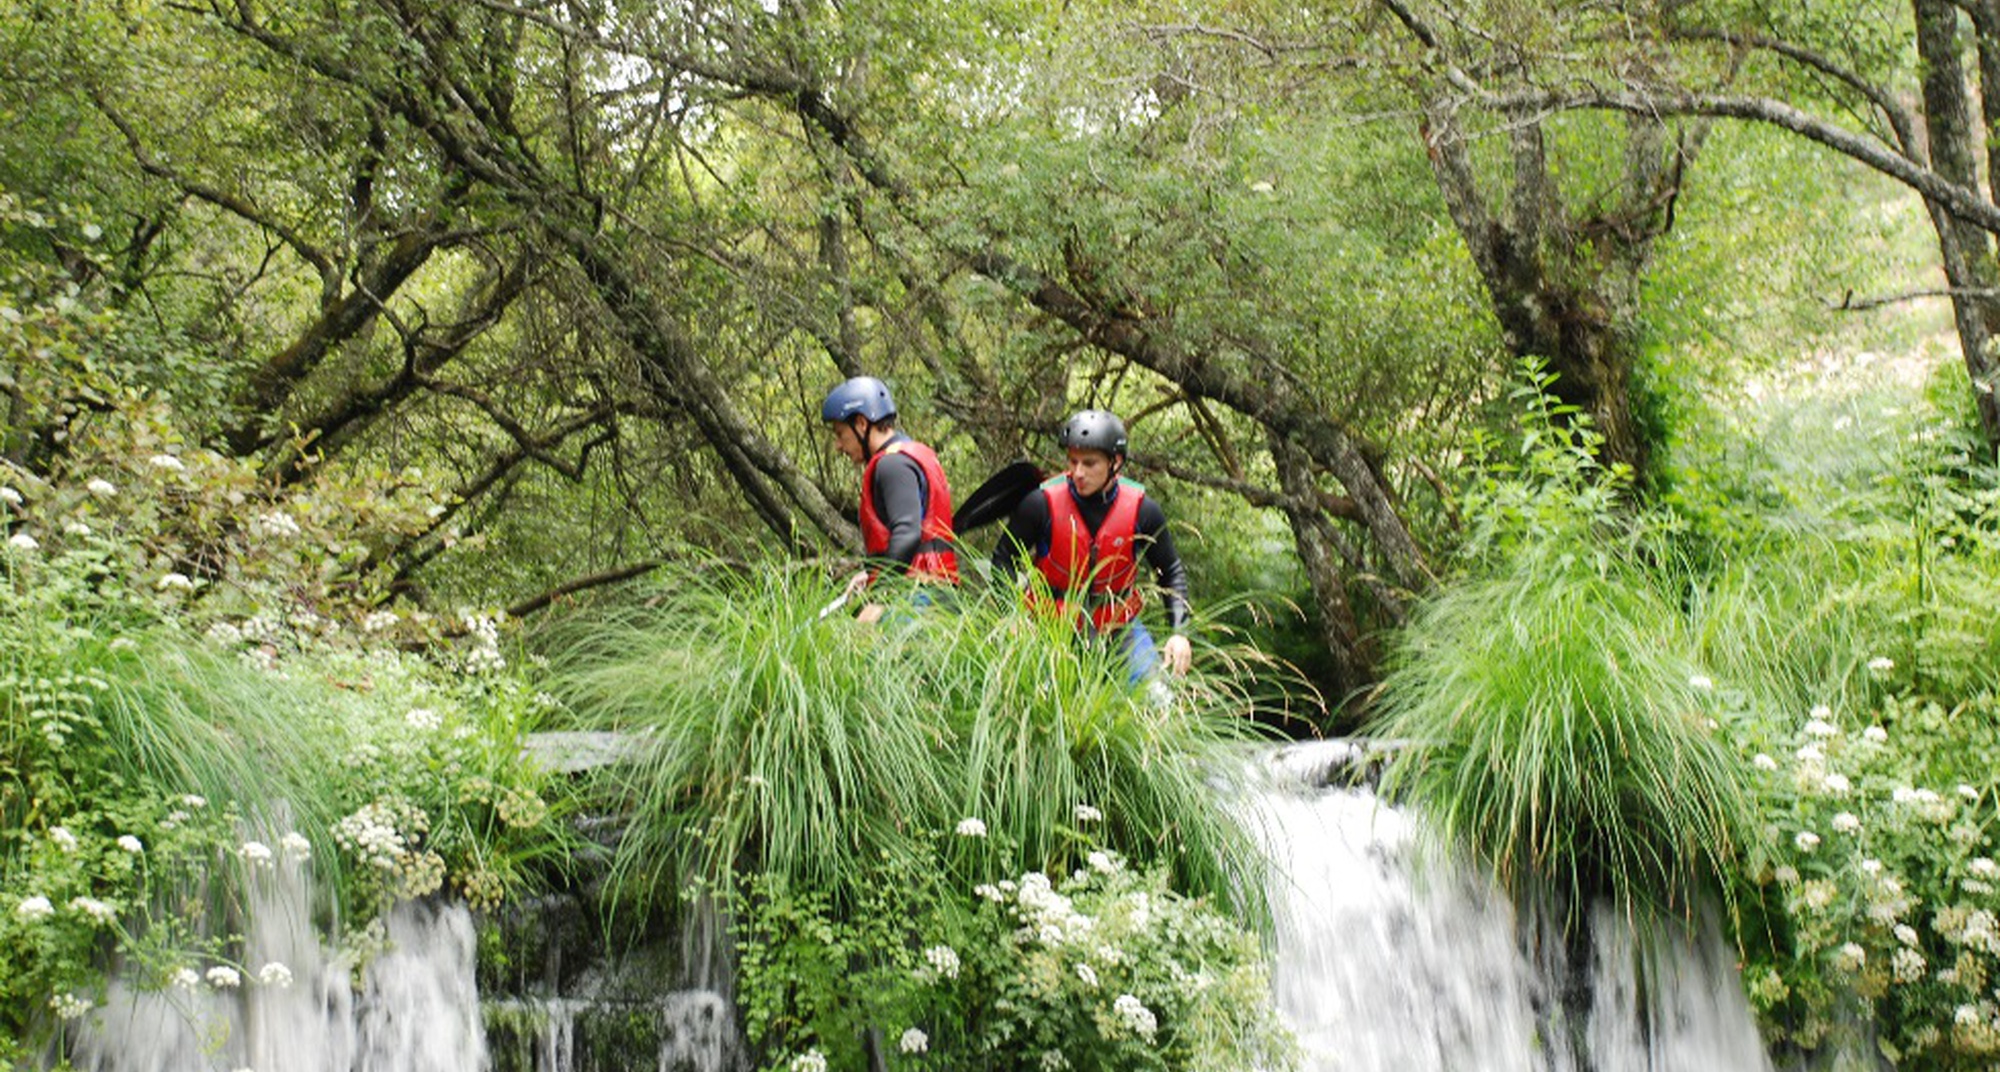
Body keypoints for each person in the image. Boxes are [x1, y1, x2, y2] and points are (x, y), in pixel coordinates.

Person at [991, 409, 1191, 685]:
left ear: (1115, 462)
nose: (1078, 472)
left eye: (1089, 463)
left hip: (1118, 628)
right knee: (1036, 696)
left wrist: (1179, 632)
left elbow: (1170, 570)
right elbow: (1003, 559)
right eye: (1073, 461)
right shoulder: (1040, 504)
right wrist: (1012, 614)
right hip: (1050, 626)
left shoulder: (1144, 511)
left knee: (1158, 697)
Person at [822, 376, 960, 597]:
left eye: (840, 434)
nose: (838, 446)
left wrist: (878, 594)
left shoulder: (892, 465)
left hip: (918, 595)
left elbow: (907, 534)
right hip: (935, 590)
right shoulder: (909, 454)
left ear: (861, 423)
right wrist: (871, 574)